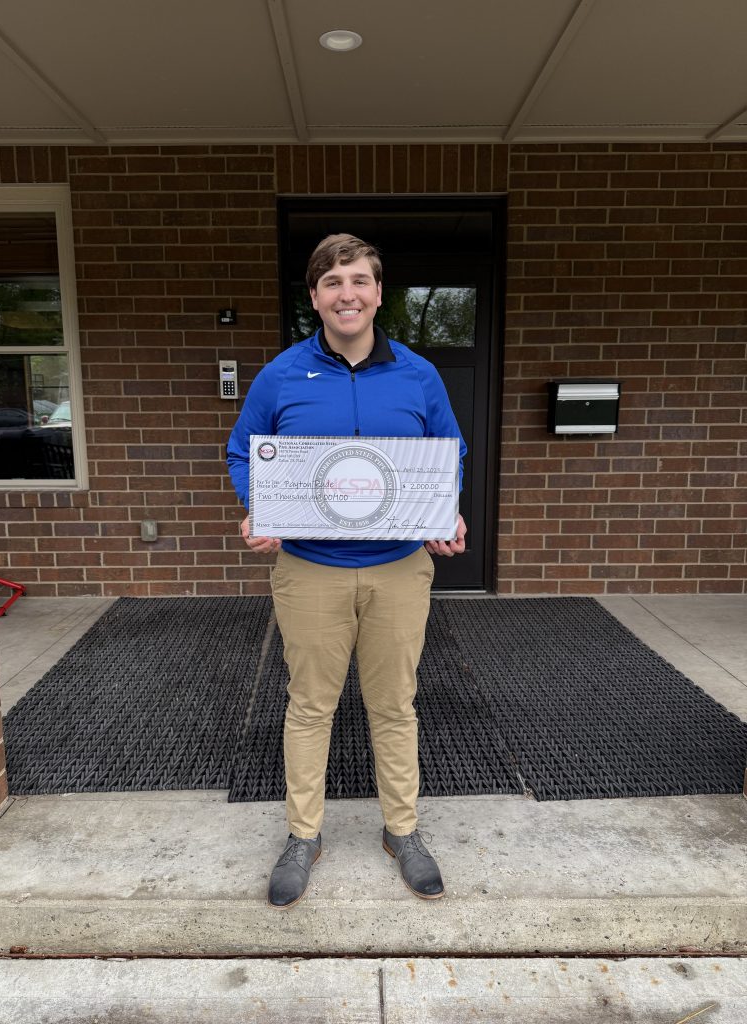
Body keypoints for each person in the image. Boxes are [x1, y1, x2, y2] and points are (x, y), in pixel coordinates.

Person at [227, 233, 467, 909]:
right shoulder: (280, 375)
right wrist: (258, 507)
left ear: (379, 292)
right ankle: (303, 836)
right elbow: (243, 451)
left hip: (398, 568)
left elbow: (449, 450)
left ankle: (403, 832)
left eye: (359, 280)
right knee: (310, 706)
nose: (347, 294)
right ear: (315, 296)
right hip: (310, 569)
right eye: (332, 283)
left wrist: (446, 509)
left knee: (394, 705)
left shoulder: (418, 375)